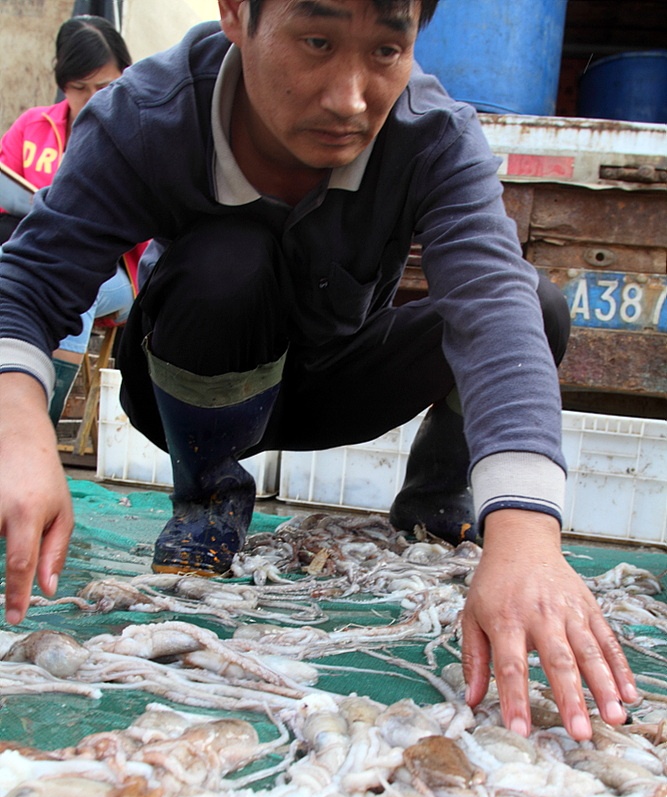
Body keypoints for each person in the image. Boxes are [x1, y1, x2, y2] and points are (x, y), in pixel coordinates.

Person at [0, 0, 638, 742]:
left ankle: (435, 498)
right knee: (224, 261)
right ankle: (208, 498)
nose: (349, 97)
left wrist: (526, 537)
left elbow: (491, 307)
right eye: (316, 40)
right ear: (236, 12)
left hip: (338, 382)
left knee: (532, 302)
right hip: (194, 383)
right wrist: (17, 426)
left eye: (385, 51)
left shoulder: (432, 135)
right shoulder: (144, 115)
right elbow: (27, 283)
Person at [0, 14, 146, 423]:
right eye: (77, 88)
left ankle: (36, 429)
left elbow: (150, 232)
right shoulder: (33, 126)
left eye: (103, 86)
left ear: (126, 74)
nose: (90, 97)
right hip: (35, 258)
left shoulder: (141, 132)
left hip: (117, 275)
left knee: (74, 286)